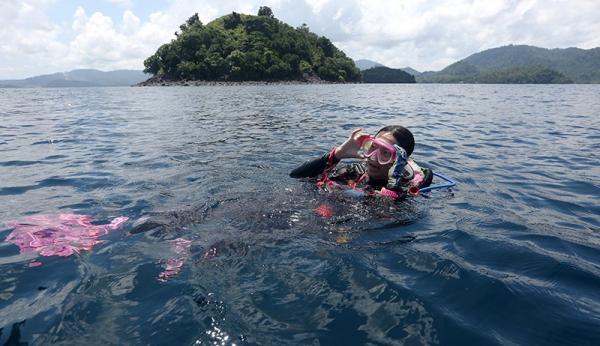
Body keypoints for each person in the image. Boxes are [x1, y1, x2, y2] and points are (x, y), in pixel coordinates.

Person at [290, 125, 432, 199]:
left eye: (386, 153)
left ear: (400, 161)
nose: (373, 157)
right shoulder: (354, 172)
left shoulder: (405, 188)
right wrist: (339, 153)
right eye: (373, 147)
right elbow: (296, 176)